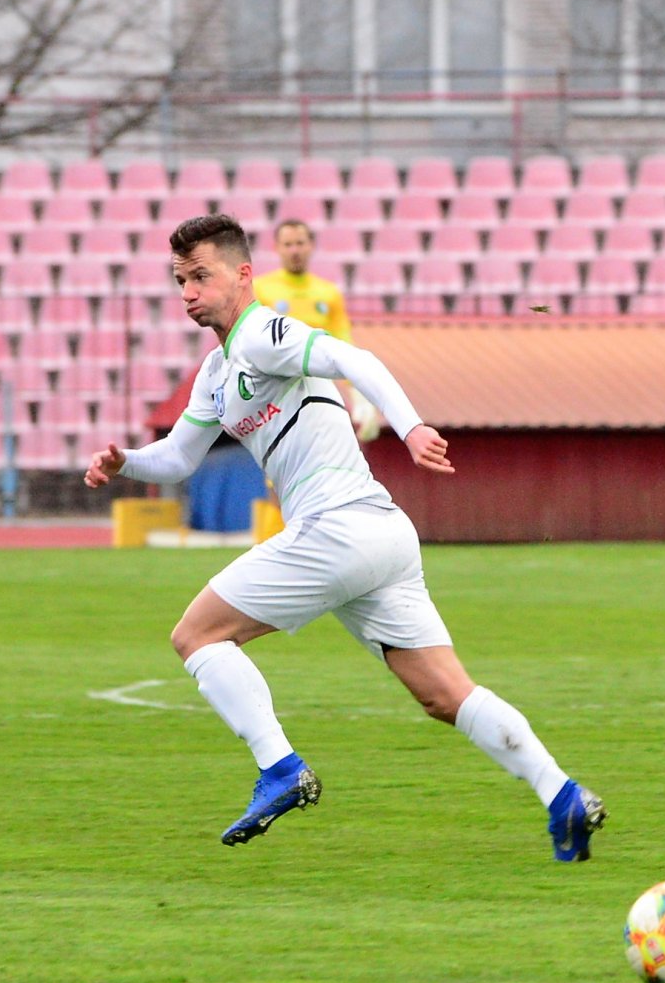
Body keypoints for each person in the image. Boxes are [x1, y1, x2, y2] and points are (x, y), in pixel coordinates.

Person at [83, 214, 605, 861]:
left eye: (201, 276)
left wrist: (410, 427)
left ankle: (280, 769)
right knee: (446, 695)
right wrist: (124, 462)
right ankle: (562, 795)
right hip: (381, 535)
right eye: (180, 280)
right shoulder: (216, 373)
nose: (188, 292)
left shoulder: (263, 334)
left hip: (337, 529)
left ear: (243, 275)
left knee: (196, 635)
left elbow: (354, 357)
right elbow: (179, 458)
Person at [252, 219, 380, 441]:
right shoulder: (261, 289)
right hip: (276, 386)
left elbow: (343, 341)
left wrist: (359, 392)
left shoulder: (328, 293)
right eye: (288, 244)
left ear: (311, 245)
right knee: (282, 454)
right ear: (277, 248)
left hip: (318, 385)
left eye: (300, 243)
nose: (295, 250)